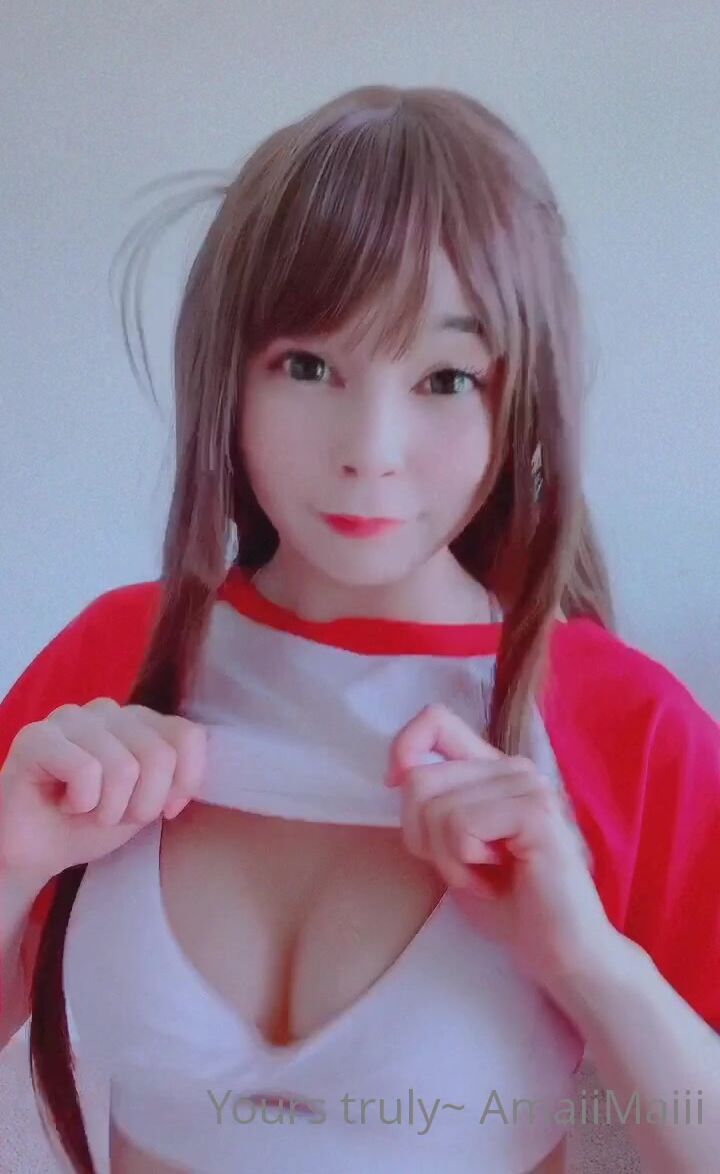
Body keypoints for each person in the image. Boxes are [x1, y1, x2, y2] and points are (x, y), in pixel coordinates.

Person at [0, 84, 718, 1174]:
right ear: (230, 373)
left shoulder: (624, 725)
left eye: (444, 378)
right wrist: (9, 864)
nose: (369, 449)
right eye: (309, 366)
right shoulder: (118, 659)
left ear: (520, 399)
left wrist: (585, 959)